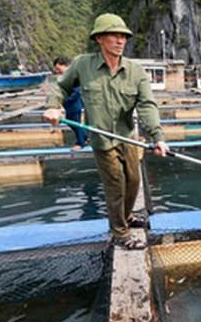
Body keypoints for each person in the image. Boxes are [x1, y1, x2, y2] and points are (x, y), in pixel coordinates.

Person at [43, 13, 169, 250]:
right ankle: (120, 233)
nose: (120, 41)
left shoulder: (135, 71)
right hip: (101, 139)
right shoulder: (83, 64)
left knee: (133, 181)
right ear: (100, 38)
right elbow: (60, 87)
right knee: (116, 184)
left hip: (127, 136)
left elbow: (147, 105)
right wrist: (52, 106)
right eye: (114, 35)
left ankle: (127, 216)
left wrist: (158, 137)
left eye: (123, 36)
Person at [51, 56, 87, 150]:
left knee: (75, 123)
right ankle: (84, 136)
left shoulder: (73, 75)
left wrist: (65, 99)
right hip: (69, 106)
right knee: (71, 122)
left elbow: (76, 91)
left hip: (74, 105)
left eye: (59, 69)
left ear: (65, 66)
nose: (58, 71)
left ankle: (81, 143)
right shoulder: (65, 77)